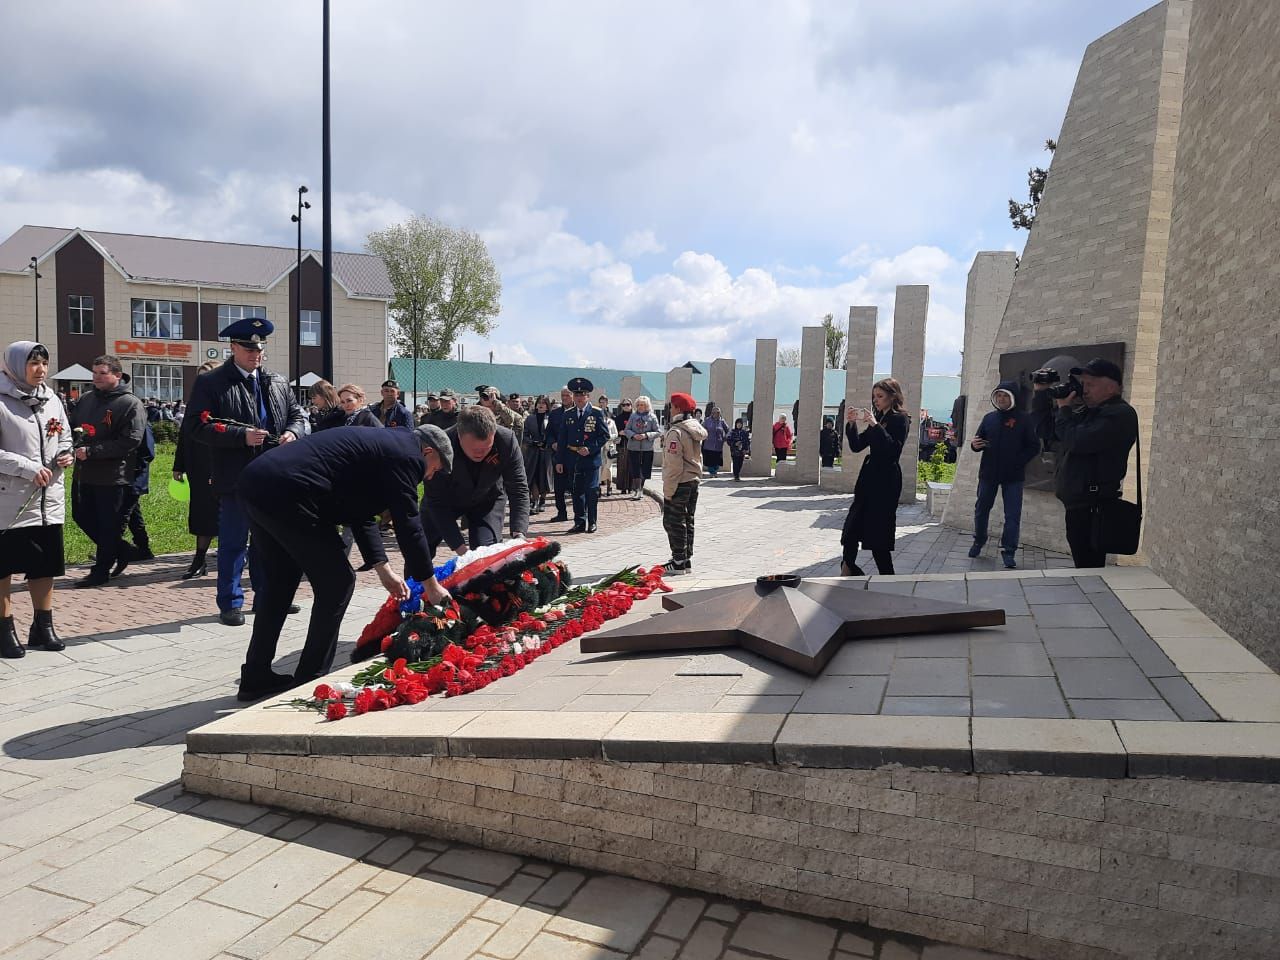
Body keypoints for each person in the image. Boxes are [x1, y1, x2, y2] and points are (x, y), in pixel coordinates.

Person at [235, 425, 455, 701]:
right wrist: (430, 584)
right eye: (436, 467)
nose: (432, 475)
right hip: (290, 491)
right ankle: (310, 679)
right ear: (428, 451)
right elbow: (409, 526)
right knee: (337, 583)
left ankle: (256, 676)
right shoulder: (407, 457)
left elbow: (360, 512)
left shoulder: (385, 447)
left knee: (280, 581)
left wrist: (383, 568)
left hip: (257, 481)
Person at [188, 316, 306, 626]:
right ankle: (230, 602)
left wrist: (293, 432)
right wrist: (240, 436)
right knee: (234, 542)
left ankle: (267, 596)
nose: (255, 355)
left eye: (259, 350)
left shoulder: (277, 381)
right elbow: (197, 426)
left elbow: (298, 415)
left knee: (269, 541)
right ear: (233, 348)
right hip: (236, 476)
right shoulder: (212, 382)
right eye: (248, 349)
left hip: (274, 475)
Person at [1, 341, 73, 656]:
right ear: (16, 365)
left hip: (48, 500)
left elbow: (65, 435)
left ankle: (42, 627)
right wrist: (27, 467)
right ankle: (4, 629)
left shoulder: (52, 398)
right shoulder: (2, 401)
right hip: (9, 501)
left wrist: (66, 453)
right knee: (4, 567)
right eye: (33, 364)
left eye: (44, 363)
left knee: (44, 565)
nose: (41, 370)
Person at [1033, 358, 1137, 569]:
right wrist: (1041, 394)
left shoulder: (1120, 414)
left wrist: (1064, 410)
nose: (1084, 389)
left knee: (1089, 567)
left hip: (1094, 505)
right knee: (1085, 565)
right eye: (1083, 383)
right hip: (1079, 504)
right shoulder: (1089, 412)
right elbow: (1046, 431)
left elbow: (1076, 442)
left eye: (1091, 384)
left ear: (1111, 386)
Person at [69, 355, 146, 588]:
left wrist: (93, 451)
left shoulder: (130, 404)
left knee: (108, 524)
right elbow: (73, 429)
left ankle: (101, 570)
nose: (97, 378)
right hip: (84, 472)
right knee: (81, 516)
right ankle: (122, 550)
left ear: (117, 375)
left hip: (113, 477)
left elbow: (130, 441)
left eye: (102, 373)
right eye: (94, 373)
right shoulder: (86, 399)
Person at [421, 405, 529, 559]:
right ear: (459, 435)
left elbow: (518, 488)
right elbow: (436, 501)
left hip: (487, 498)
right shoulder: (440, 447)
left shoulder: (506, 440)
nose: (481, 454)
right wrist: (462, 550)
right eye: (474, 449)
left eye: (487, 448)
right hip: (446, 500)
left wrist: (519, 533)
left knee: (487, 552)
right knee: (421, 547)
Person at [840, 378, 910, 576]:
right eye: (874, 397)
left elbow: (892, 449)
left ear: (892, 396)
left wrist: (875, 424)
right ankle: (848, 569)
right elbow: (857, 445)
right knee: (852, 529)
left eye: (880, 396)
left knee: (879, 535)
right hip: (868, 479)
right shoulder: (880, 418)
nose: (876, 400)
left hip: (886, 481)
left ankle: (887, 577)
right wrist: (852, 424)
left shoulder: (900, 419)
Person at [968, 380, 1040, 568]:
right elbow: (978, 441)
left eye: (1005, 396)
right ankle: (979, 540)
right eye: (998, 395)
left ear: (1013, 398)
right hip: (988, 473)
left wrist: (1017, 461)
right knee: (981, 510)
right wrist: (974, 446)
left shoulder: (1024, 419)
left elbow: (1034, 446)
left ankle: (1009, 551)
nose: (1001, 399)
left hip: (1013, 476)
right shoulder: (989, 418)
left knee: (1012, 515)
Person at [173, 360, 220, 580]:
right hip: (197, 467)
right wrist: (179, 464)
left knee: (226, 514)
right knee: (202, 514)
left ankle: (236, 554)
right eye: (199, 376)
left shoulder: (223, 400)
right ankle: (199, 559)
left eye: (206, 376)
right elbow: (184, 435)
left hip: (220, 465)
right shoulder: (194, 403)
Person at [660, 392, 706, 575]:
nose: (670, 410)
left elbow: (674, 465)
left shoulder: (676, 432)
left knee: (673, 521)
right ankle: (685, 559)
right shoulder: (694, 429)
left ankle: (678, 560)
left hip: (680, 481)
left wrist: (668, 490)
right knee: (688, 519)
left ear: (678, 408)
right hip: (693, 480)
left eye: (672, 406)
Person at [556, 377, 610, 533]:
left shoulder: (596, 413)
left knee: (591, 491)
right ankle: (579, 521)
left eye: (582, 395)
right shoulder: (568, 414)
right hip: (573, 458)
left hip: (591, 459)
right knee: (576, 491)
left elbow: (604, 436)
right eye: (576, 395)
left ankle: (592, 521)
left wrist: (591, 448)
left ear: (588, 396)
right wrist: (559, 460)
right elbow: (562, 439)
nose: (579, 398)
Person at [115, 406, 156, 576]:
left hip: (135, 476)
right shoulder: (128, 424)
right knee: (133, 515)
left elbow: (148, 452)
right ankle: (143, 548)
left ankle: (112, 550)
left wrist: (134, 467)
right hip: (125, 476)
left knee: (122, 515)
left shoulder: (143, 426)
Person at [522, 394, 555, 514]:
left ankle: (543, 500)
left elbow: (555, 434)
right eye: (539, 402)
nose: (541, 405)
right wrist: (533, 442)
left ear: (547, 405)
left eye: (544, 403)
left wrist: (548, 443)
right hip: (533, 451)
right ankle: (534, 500)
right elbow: (524, 435)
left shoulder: (551, 418)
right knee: (534, 475)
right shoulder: (530, 418)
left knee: (544, 476)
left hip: (546, 451)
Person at [623, 395, 660, 499]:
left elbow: (658, 431)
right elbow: (627, 429)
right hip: (634, 447)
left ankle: (641, 488)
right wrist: (634, 435)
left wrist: (646, 435)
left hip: (647, 448)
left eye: (642, 405)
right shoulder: (633, 416)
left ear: (647, 405)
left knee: (644, 470)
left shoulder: (652, 417)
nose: (640, 407)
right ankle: (637, 490)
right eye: (638, 405)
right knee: (635, 469)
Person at [546, 386, 573, 521]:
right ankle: (561, 513)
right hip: (559, 455)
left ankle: (580, 514)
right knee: (559, 487)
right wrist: (552, 443)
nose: (564, 398)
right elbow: (549, 432)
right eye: (562, 395)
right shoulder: (555, 413)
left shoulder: (577, 412)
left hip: (574, 455)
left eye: (567, 395)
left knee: (576, 487)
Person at [613, 398, 634, 495]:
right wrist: (624, 433)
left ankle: (631, 487)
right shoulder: (618, 418)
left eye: (628, 404)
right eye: (624, 405)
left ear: (631, 405)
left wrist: (627, 433)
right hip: (622, 444)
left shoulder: (635, 417)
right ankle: (622, 487)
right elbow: (617, 431)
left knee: (632, 465)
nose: (626, 406)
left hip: (633, 443)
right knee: (622, 466)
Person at [701, 406, 729, 478]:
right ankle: (712, 472)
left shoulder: (722, 421)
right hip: (709, 443)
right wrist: (704, 437)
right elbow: (702, 429)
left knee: (717, 459)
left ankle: (715, 471)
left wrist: (725, 438)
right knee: (710, 460)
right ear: (712, 413)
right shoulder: (707, 420)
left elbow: (728, 430)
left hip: (718, 444)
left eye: (718, 413)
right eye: (715, 412)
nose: (717, 414)